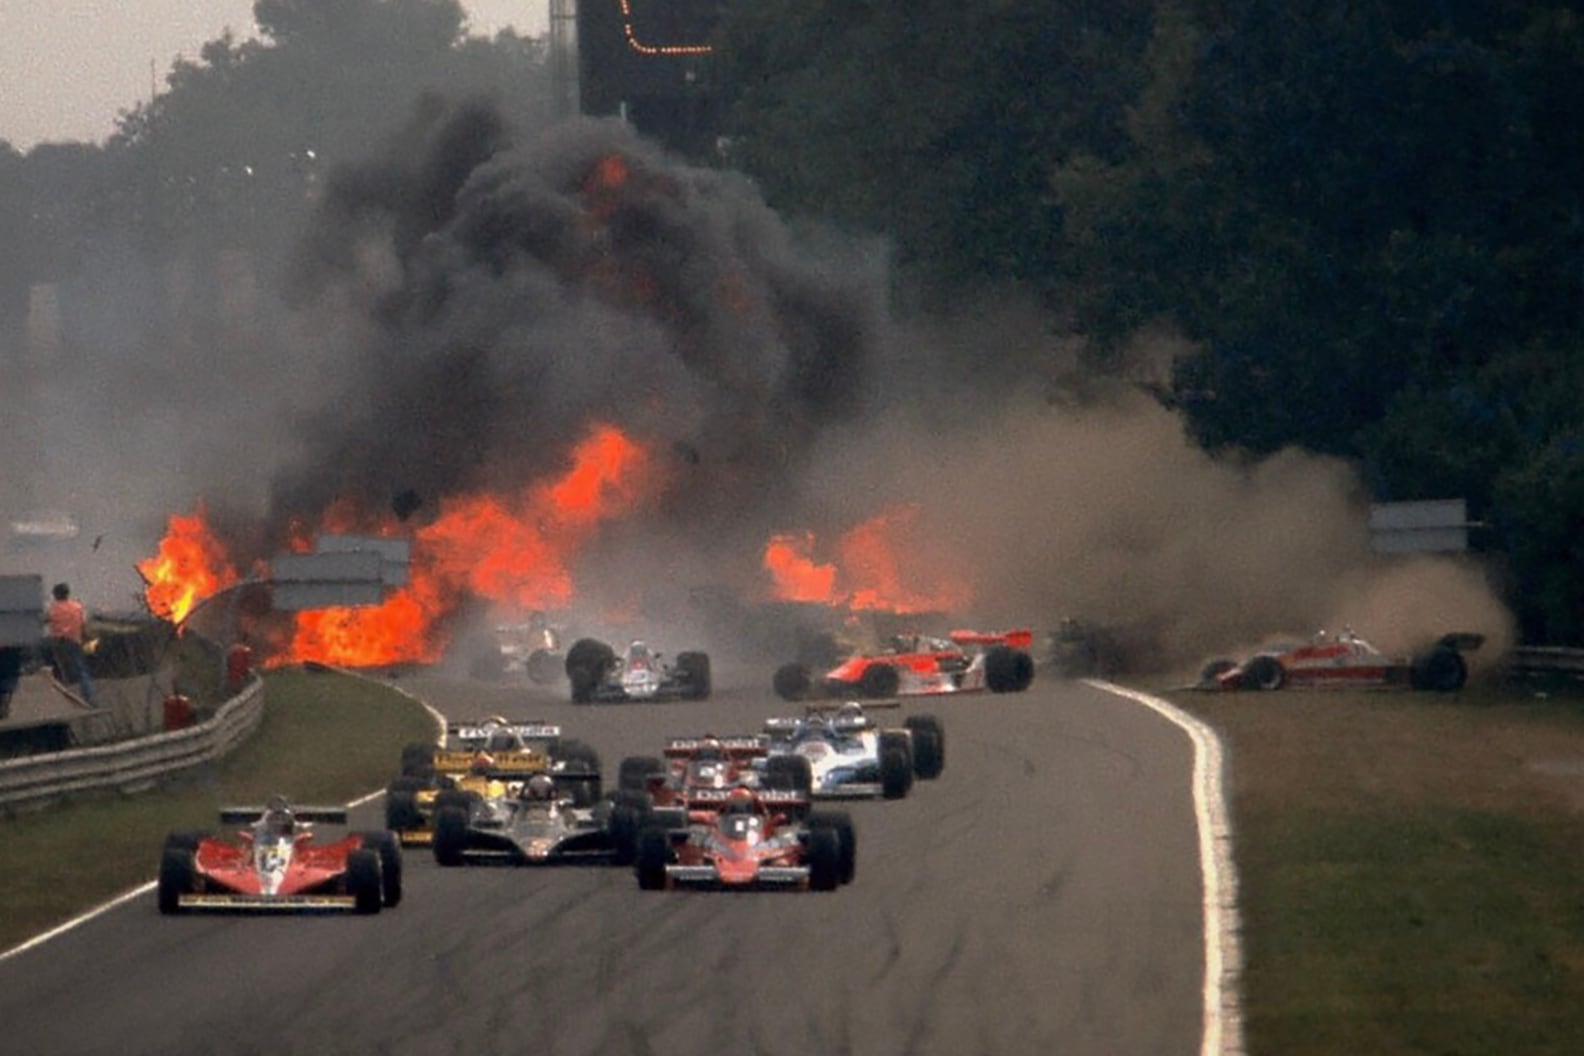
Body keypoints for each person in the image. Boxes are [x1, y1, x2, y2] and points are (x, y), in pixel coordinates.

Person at [43, 582, 96, 707]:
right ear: (67, 593)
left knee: (51, 667)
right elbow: (84, 626)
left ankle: (57, 696)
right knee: (82, 670)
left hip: (57, 643)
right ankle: (90, 698)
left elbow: (43, 620)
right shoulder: (78, 607)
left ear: (55, 595)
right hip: (74, 642)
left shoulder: (53, 609)